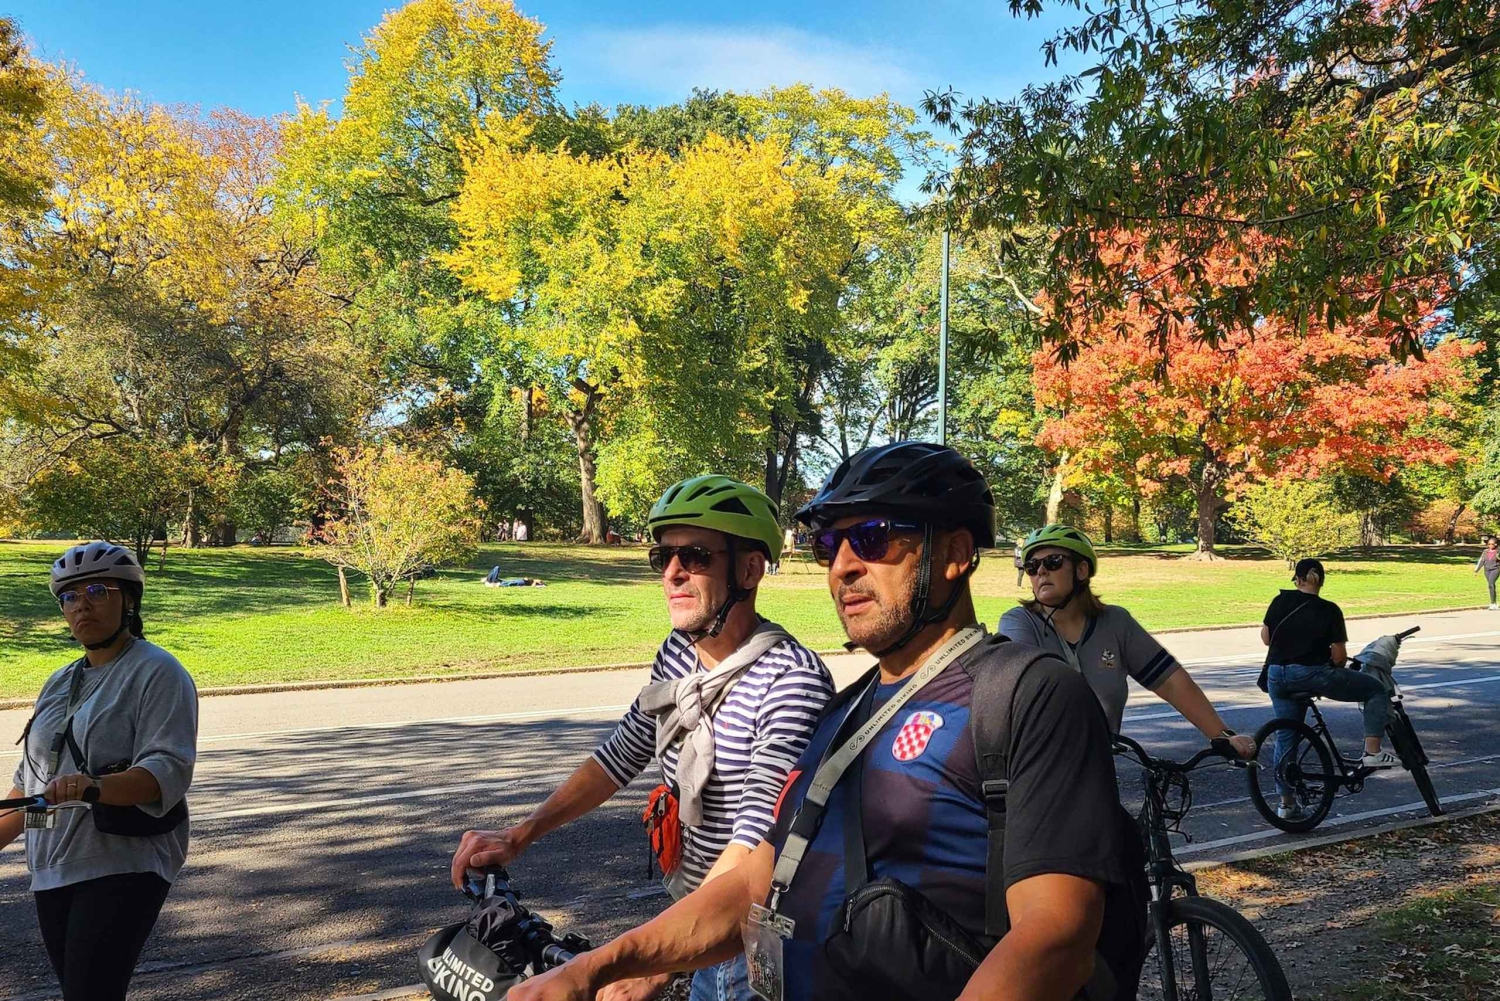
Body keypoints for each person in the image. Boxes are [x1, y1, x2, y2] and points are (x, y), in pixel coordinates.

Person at [509, 442, 1146, 1001]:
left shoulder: (1026, 693)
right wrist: (597, 967)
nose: (842, 565)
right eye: (828, 544)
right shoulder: (842, 714)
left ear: (954, 552)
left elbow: (1054, 939)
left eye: (872, 537)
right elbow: (754, 883)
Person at [452, 475, 834, 1001]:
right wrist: (522, 833)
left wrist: (655, 968)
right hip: (687, 923)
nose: (673, 573)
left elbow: (753, 845)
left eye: (696, 556)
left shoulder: (790, 682)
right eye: (664, 557)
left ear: (749, 569)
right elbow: (621, 753)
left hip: (751, 940)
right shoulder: (680, 653)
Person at [1, 542, 199, 1001]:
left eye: (97, 590)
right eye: (69, 596)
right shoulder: (59, 681)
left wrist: (93, 787)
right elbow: (31, 789)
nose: (82, 604)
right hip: (52, 865)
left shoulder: (157, 671)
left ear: (128, 600)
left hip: (122, 862)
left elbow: (165, 770)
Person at [999, 524, 1257, 758]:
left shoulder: (1115, 622)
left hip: (1098, 769)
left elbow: (1170, 682)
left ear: (1081, 569)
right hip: (1038, 769)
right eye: (1031, 566)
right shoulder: (1019, 623)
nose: (1041, 570)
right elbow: (1024, 687)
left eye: (1053, 562)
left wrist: (1222, 736)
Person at [1261, 558, 1397, 820]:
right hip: (1311, 674)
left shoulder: (1279, 601)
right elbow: (1338, 657)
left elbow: (1267, 638)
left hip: (1276, 675)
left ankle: (1286, 803)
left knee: (1287, 736)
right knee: (1376, 690)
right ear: (1321, 581)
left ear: (1298, 580)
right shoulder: (1329, 610)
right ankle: (1372, 751)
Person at [1476, 535, 1499, 610]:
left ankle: (1492, 603)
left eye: (1492, 544)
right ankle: (1494, 602)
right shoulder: (1485, 551)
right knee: (1491, 586)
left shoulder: (1498, 551)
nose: (1490, 545)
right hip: (1487, 570)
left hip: (1495, 569)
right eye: (1489, 544)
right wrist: (1477, 570)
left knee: (1491, 584)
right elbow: (1482, 560)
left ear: (1495, 544)